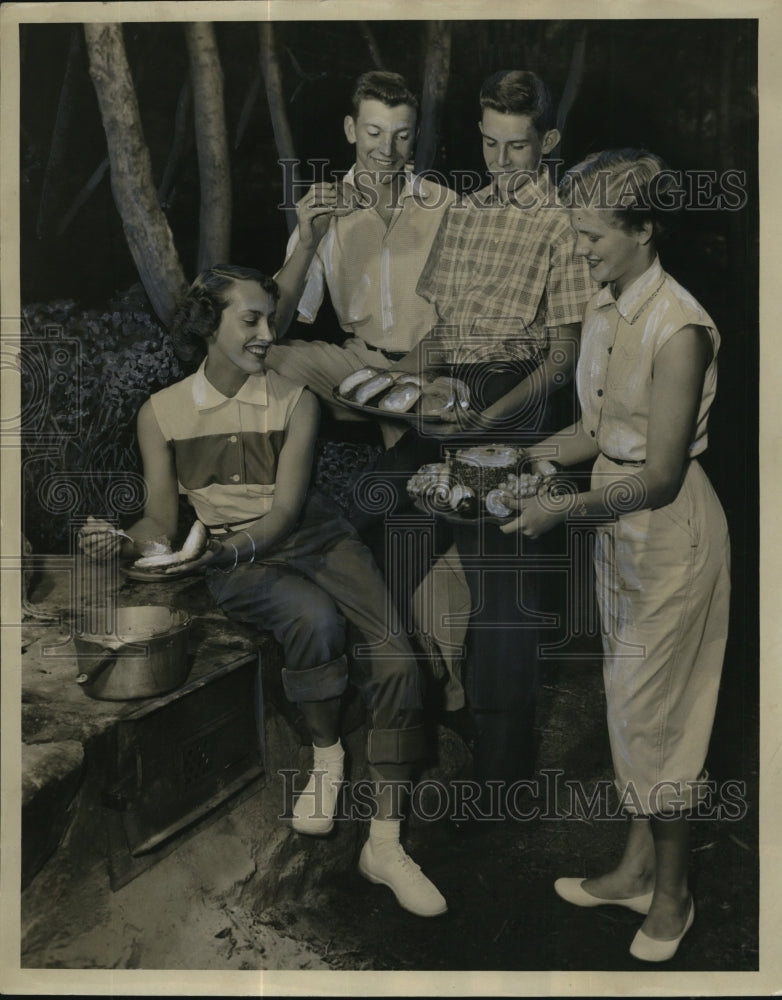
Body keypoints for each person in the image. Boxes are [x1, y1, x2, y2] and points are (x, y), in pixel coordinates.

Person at [80, 264, 447, 919]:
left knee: (397, 658)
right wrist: (125, 539)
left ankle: (385, 846)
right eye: (249, 319)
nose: (265, 333)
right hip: (234, 554)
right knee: (312, 621)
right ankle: (327, 757)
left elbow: (283, 513)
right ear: (206, 325)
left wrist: (224, 548)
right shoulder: (160, 413)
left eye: (268, 319)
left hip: (312, 535)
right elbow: (161, 519)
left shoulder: (294, 400)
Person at [500, 150, 730, 960]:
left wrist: (562, 505)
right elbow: (599, 433)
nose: (580, 248)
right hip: (614, 521)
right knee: (630, 704)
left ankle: (674, 898)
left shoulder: (680, 329)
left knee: (659, 717)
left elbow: (661, 475)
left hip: (669, 533)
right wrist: (528, 458)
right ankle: (635, 871)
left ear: (642, 229)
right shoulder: (605, 308)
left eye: (592, 234)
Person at [368, 70, 593, 806]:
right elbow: (441, 333)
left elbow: (561, 360)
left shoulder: (563, 224)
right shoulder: (464, 212)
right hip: (447, 395)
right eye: (490, 145)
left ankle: (501, 780)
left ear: (548, 142)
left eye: (517, 148)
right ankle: (425, 715)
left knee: (502, 596)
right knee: (384, 546)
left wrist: (490, 426)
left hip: (513, 402)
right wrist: (399, 383)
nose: (501, 163)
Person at [267, 70, 456, 449]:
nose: (387, 149)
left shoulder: (449, 207)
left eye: (401, 136)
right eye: (374, 133)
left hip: (432, 364)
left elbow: (464, 321)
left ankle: (389, 425)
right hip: (359, 362)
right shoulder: (325, 208)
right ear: (351, 130)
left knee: (416, 457)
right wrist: (307, 244)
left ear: (415, 136)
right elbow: (272, 325)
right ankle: (371, 420)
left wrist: (393, 381)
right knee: (262, 357)